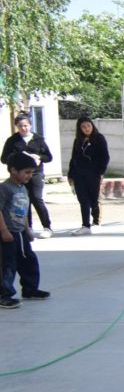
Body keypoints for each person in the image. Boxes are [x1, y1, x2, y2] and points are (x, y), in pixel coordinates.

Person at [0, 152, 50, 308]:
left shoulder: (23, 188)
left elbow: (23, 211)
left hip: (21, 232)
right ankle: (5, 295)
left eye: (32, 172)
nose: (29, 176)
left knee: (28, 260)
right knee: (8, 264)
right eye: (26, 172)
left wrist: (27, 229)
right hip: (8, 233)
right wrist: (4, 231)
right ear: (14, 170)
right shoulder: (4, 188)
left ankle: (30, 289)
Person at [1, 113, 54, 237]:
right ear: (16, 127)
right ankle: (28, 227)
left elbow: (48, 157)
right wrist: (18, 157)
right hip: (19, 175)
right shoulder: (12, 140)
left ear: (30, 125)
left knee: (36, 198)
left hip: (35, 173)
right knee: (24, 200)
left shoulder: (38, 139)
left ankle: (47, 227)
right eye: (20, 126)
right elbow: (4, 158)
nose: (23, 128)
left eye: (26, 125)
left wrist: (39, 157)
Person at [67, 116, 110, 234]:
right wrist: (70, 174)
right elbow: (73, 158)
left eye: (88, 126)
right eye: (83, 127)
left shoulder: (99, 138)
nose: (86, 129)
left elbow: (105, 157)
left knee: (94, 198)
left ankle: (96, 221)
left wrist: (101, 172)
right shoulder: (78, 140)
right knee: (83, 199)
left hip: (93, 173)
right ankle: (85, 225)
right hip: (79, 173)